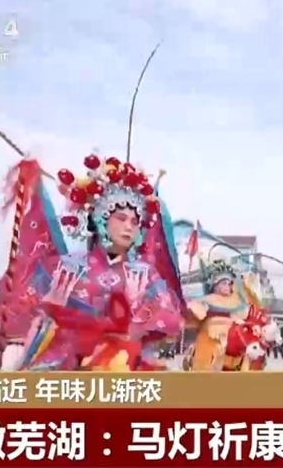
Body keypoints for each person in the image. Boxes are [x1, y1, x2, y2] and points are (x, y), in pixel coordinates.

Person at [13, 155, 184, 371]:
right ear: (100, 218)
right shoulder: (68, 268)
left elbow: (172, 321)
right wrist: (50, 311)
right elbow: (30, 317)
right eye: (121, 218)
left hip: (126, 363)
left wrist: (138, 310)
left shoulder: (144, 274)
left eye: (135, 221)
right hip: (70, 363)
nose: (129, 227)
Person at [189, 260, 254, 371]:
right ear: (215, 284)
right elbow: (197, 316)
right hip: (210, 341)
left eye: (229, 284)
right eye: (223, 283)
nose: (227, 286)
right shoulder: (206, 300)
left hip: (230, 343)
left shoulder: (235, 302)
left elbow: (243, 316)